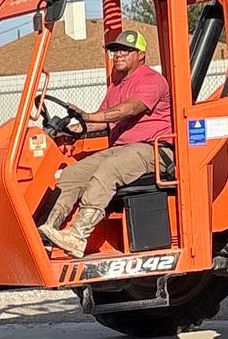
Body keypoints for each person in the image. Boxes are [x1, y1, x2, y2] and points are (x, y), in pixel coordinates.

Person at [39, 26, 171, 257]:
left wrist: (89, 116)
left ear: (141, 55)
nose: (118, 54)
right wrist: (71, 128)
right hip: (121, 149)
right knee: (72, 174)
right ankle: (49, 229)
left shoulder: (152, 80)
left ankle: (78, 236)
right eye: (115, 50)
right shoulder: (116, 85)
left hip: (152, 149)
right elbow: (102, 122)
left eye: (126, 50)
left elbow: (127, 110)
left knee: (108, 171)